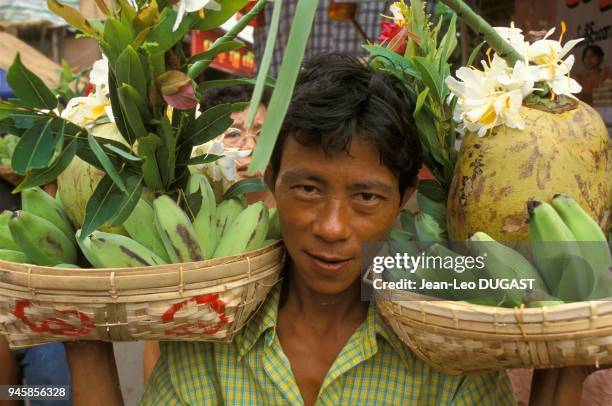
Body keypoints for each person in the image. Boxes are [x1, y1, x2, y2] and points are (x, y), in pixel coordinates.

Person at [64, 53, 516, 405]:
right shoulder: (210, 342)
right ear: (272, 179)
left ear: (403, 199)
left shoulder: (450, 353)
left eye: (366, 197)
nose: (333, 228)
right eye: (307, 188)